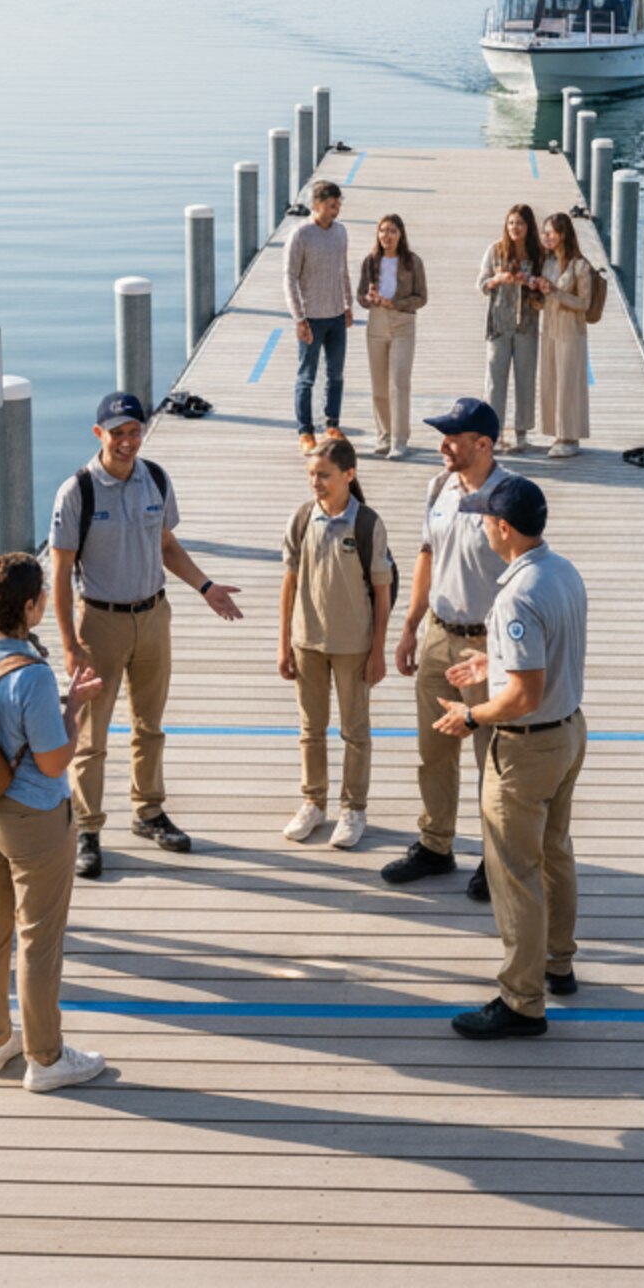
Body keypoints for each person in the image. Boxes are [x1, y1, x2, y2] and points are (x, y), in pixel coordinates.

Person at [49, 391, 245, 879]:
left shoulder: (155, 478)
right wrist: (71, 645)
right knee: (92, 737)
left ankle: (149, 811)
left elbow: (166, 545)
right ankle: (88, 829)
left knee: (150, 726)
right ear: (100, 435)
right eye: (118, 434)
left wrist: (205, 587)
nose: (128, 442)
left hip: (154, 616)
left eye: (134, 431)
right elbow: (58, 573)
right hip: (100, 621)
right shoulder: (77, 490)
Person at [433, 473, 588, 1039]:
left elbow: (523, 694)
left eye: (483, 519)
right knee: (556, 853)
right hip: (570, 731)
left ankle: (522, 1002)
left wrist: (470, 715)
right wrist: (490, 665)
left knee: (514, 872)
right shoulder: (561, 570)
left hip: (528, 751)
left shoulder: (515, 596)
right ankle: (558, 964)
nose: (479, 525)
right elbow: (543, 661)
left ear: (504, 528)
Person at [0, 552, 112, 1093]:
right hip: (33, 823)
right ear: (28, 606)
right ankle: (45, 1059)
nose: (48, 599)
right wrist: (74, 709)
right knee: (39, 940)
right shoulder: (33, 676)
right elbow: (53, 761)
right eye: (44, 592)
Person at [380, 397, 523, 902]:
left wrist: (503, 654)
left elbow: (524, 577)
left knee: (494, 760)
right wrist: (410, 626)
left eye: (453, 438)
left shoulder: (510, 496)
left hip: (489, 647)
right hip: (440, 636)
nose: (443, 444)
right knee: (433, 751)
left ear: (483, 445)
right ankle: (436, 843)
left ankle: (494, 857)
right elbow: (426, 553)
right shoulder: (438, 485)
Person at [277, 436, 393, 849]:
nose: (316, 483)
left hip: (353, 645)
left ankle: (353, 808)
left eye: (324, 475)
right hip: (307, 641)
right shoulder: (302, 518)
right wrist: (285, 642)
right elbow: (289, 582)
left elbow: (382, 592)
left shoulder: (367, 524)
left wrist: (378, 651)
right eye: (311, 475)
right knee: (310, 729)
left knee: (354, 731)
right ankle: (313, 802)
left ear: (349, 474)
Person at [285, 179, 353, 453]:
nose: (335, 210)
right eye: (330, 205)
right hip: (311, 317)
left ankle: (332, 423)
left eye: (337, 205)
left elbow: (343, 271)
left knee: (336, 375)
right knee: (307, 376)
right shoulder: (300, 235)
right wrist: (299, 318)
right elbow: (289, 279)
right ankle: (305, 431)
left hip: (337, 315)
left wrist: (348, 305)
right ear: (316, 204)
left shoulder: (340, 233)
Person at [356, 213, 428, 459]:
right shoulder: (370, 261)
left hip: (403, 322)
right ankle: (384, 435)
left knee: (399, 382)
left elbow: (422, 297)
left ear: (401, 235)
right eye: (383, 231)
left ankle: (400, 439)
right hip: (376, 321)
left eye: (392, 231)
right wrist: (370, 298)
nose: (387, 236)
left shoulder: (412, 262)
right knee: (379, 385)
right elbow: (360, 297)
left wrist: (395, 302)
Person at [478, 203, 543, 453]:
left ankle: (522, 432)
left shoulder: (537, 254)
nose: (515, 228)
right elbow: (481, 284)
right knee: (495, 379)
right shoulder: (495, 251)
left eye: (521, 223)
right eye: (512, 223)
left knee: (525, 378)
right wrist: (498, 279)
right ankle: (493, 433)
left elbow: (546, 285)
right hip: (499, 324)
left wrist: (531, 282)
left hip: (526, 323)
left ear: (529, 227)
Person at [534, 210, 593, 458]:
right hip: (548, 329)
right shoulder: (547, 263)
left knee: (569, 383)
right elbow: (543, 301)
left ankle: (570, 436)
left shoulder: (580, 266)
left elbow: (584, 304)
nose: (545, 237)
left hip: (571, 331)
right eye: (544, 232)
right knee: (552, 381)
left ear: (562, 234)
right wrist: (535, 292)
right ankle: (558, 432)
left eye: (550, 233)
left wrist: (555, 292)